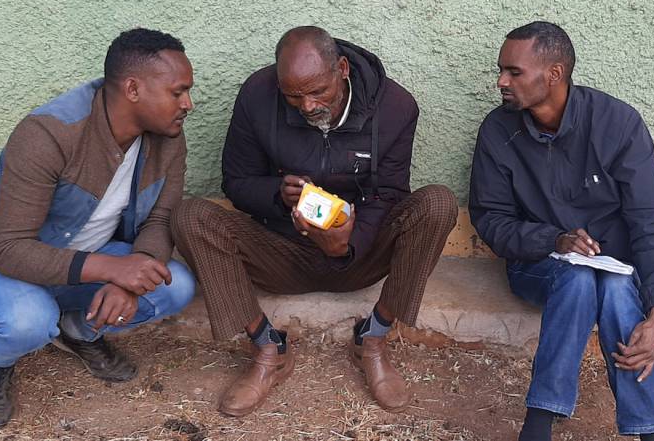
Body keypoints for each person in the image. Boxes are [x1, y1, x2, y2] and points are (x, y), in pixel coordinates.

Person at [172, 26, 457, 417]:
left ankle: (373, 339)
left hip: (361, 252)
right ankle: (268, 348)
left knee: (438, 203)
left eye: (317, 92)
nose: (306, 106)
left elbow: (390, 195)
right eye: (293, 96)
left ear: (342, 69)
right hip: (282, 250)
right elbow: (237, 182)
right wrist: (277, 193)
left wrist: (347, 242)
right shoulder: (257, 95)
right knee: (191, 216)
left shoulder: (395, 107)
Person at [0, 28, 197, 429]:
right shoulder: (48, 133)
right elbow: (10, 250)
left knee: (174, 286)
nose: (188, 104)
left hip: (81, 260)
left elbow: (160, 219)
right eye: (177, 92)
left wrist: (131, 277)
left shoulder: (168, 138)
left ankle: (78, 328)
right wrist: (113, 270)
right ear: (133, 89)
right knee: (28, 319)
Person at [469, 21, 654, 441]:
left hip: (617, 267)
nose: (501, 81)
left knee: (617, 288)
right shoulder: (499, 130)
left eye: (514, 72)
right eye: (502, 70)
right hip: (538, 264)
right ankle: (550, 423)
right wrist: (553, 240)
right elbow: (491, 218)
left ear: (554, 74)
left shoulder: (617, 123)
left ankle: (562, 424)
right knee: (578, 275)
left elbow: (650, 220)